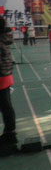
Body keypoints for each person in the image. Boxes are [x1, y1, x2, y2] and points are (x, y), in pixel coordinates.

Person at [0, 16, 17, 153]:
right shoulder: (5, 37)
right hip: (5, 74)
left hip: (1, 74)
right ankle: (9, 133)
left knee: (5, 106)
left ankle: (10, 135)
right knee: (5, 106)